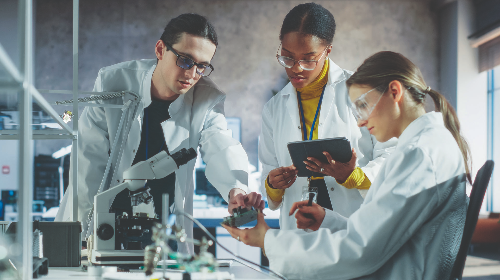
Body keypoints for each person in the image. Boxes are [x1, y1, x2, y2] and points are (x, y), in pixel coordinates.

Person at [224, 51, 470, 279]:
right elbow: (380, 231)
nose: (361, 122)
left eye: (363, 105)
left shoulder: (419, 154)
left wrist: (268, 240)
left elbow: (362, 248)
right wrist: (327, 220)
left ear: (394, 92)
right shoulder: (429, 144)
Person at [56, 13, 264, 253]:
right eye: (185, 60)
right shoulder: (112, 82)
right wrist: (83, 231)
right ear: (160, 49)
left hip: (162, 231)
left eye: (202, 66)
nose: (191, 74)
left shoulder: (206, 98)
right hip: (103, 224)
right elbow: (89, 162)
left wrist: (236, 189)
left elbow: (221, 145)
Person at [259, 2, 396, 231]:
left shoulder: (362, 91)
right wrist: (273, 184)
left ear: (328, 51)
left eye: (308, 59)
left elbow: (392, 154)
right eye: (288, 58)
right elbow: (267, 172)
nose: (297, 69)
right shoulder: (273, 109)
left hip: (354, 222)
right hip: (298, 226)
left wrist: (355, 176)